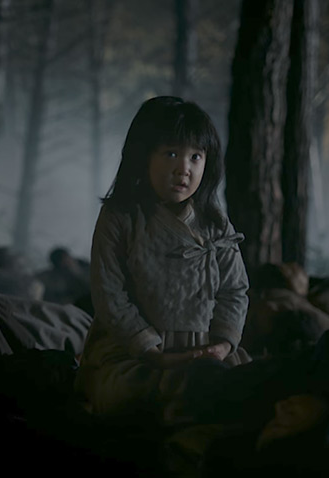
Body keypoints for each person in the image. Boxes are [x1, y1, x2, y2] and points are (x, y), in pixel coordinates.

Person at [75, 96, 251, 422]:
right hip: (132, 352)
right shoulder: (120, 217)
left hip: (203, 351)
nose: (184, 168)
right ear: (143, 155)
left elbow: (234, 290)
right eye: (171, 153)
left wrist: (223, 345)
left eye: (195, 157)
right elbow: (110, 293)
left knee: (240, 390)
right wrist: (150, 351)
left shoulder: (215, 223)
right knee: (128, 395)